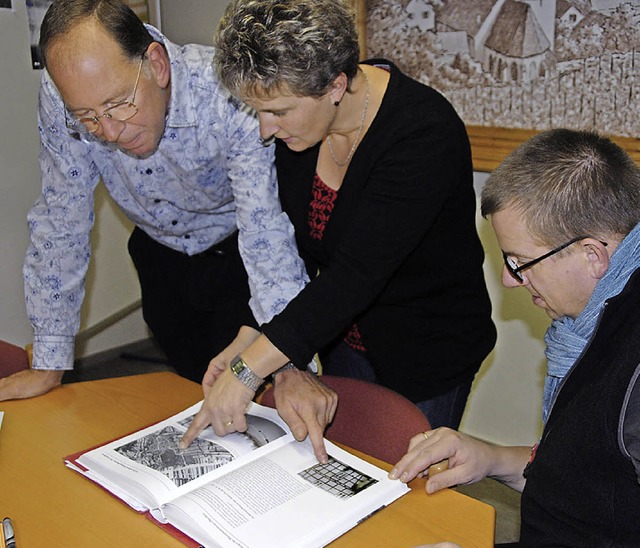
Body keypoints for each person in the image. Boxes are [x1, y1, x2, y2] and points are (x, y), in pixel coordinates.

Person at [181, 0, 496, 451]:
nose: (266, 130)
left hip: (426, 349)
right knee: (344, 467)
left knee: (404, 484)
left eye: (280, 112)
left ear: (335, 85)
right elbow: (297, 256)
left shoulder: (423, 134)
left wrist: (249, 369)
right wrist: (250, 333)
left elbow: (353, 276)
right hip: (340, 337)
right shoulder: (303, 134)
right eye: (259, 111)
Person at [0, 0, 328, 413]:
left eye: (119, 104)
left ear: (156, 65)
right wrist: (49, 359)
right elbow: (61, 219)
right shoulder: (66, 96)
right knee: (190, 397)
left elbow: (265, 230)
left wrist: (288, 358)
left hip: (238, 259)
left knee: (251, 401)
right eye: (88, 117)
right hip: (160, 257)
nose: (111, 132)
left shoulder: (225, 93)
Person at [390, 129, 640, 546]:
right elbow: (592, 476)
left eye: (520, 261)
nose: (508, 280)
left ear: (592, 255)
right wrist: (492, 458)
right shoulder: (594, 321)